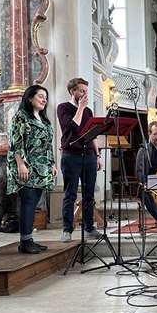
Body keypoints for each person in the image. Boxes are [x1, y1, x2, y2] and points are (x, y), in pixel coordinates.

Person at [6, 85, 57, 254]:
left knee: (33, 203)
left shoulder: (44, 119)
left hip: (41, 167)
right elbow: (16, 142)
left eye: (46, 97)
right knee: (27, 202)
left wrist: (52, 164)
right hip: (26, 166)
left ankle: (28, 240)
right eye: (41, 96)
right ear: (29, 98)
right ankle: (25, 242)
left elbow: (48, 145)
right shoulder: (21, 116)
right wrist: (21, 164)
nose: (44, 99)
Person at [57, 78, 103, 243]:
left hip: (89, 156)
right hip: (71, 156)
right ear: (72, 91)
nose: (85, 94)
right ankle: (67, 229)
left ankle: (89, 227)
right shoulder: (63, 108)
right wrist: (81, 108)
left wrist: (97, 155)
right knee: (70, 194)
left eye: (86, 90)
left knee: (89, 194)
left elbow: (93, 135)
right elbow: (71, 127)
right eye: (81, 90)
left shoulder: (89, 111)